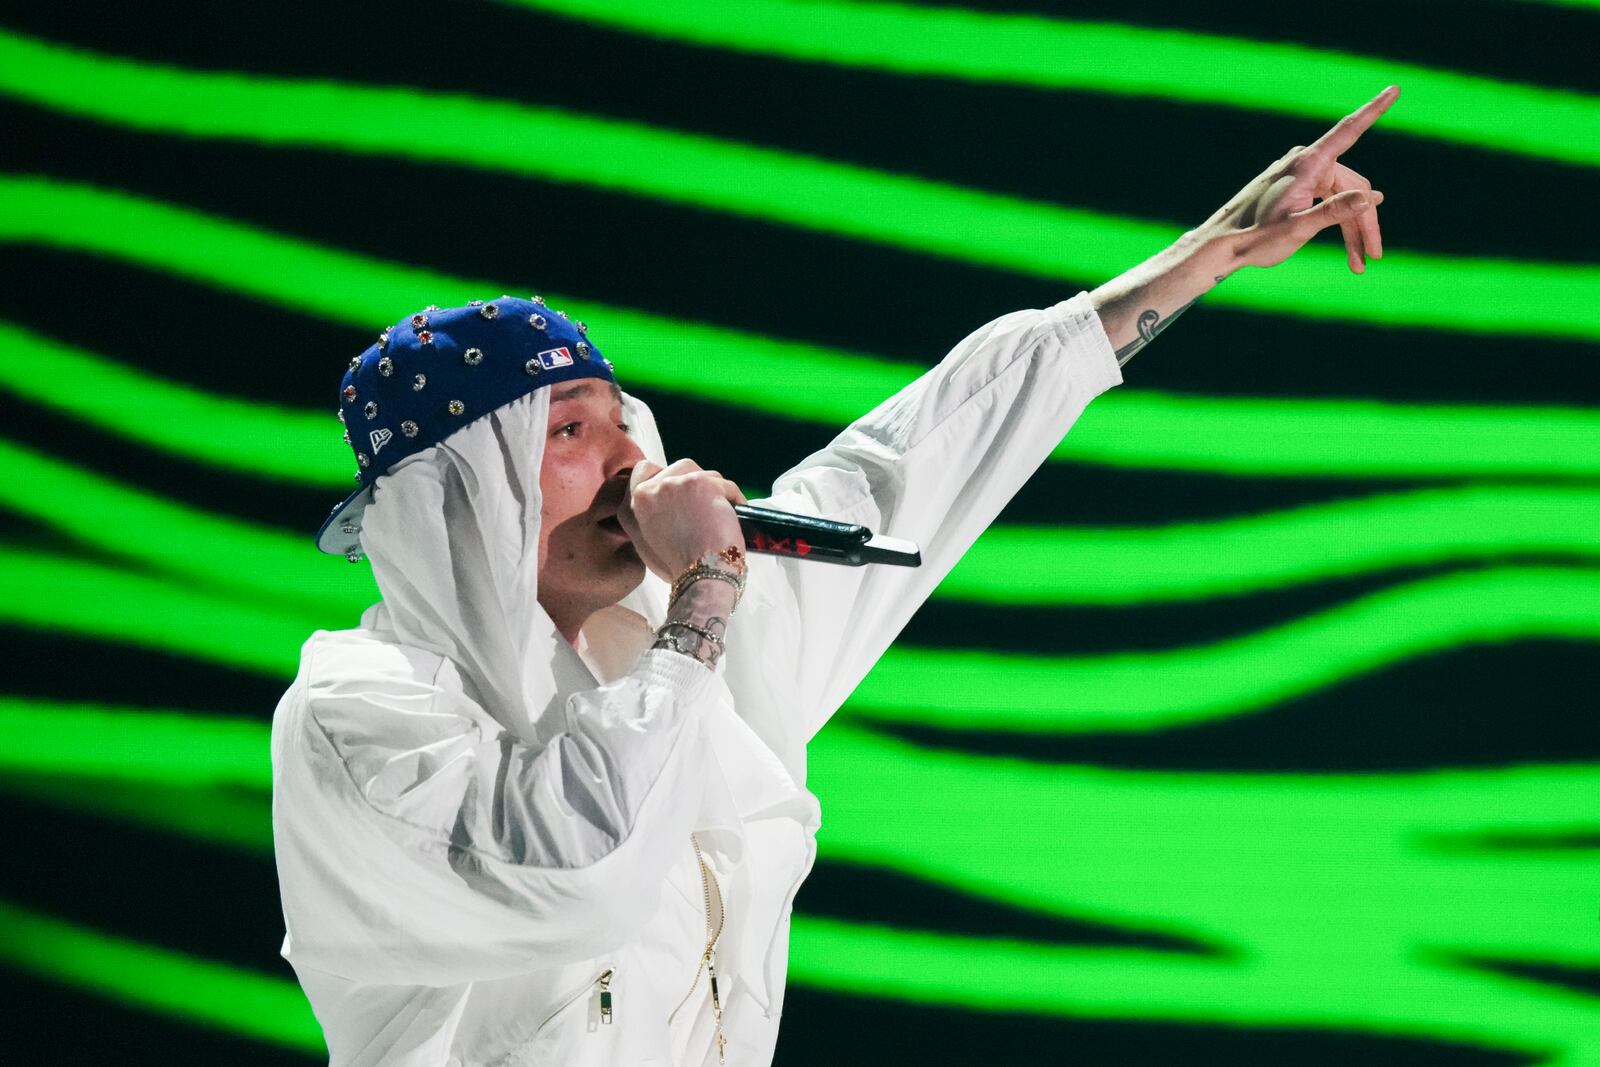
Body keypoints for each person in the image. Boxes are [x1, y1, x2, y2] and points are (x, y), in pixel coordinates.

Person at [271, 88, 1398, 1066]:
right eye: (571, 431)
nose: (630, 461)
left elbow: (917, 455)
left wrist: (1206, 253)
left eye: (626, 422)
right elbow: (571, 869)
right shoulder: (360, 712)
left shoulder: (676, 631)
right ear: (462, 492)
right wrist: (705, 597)